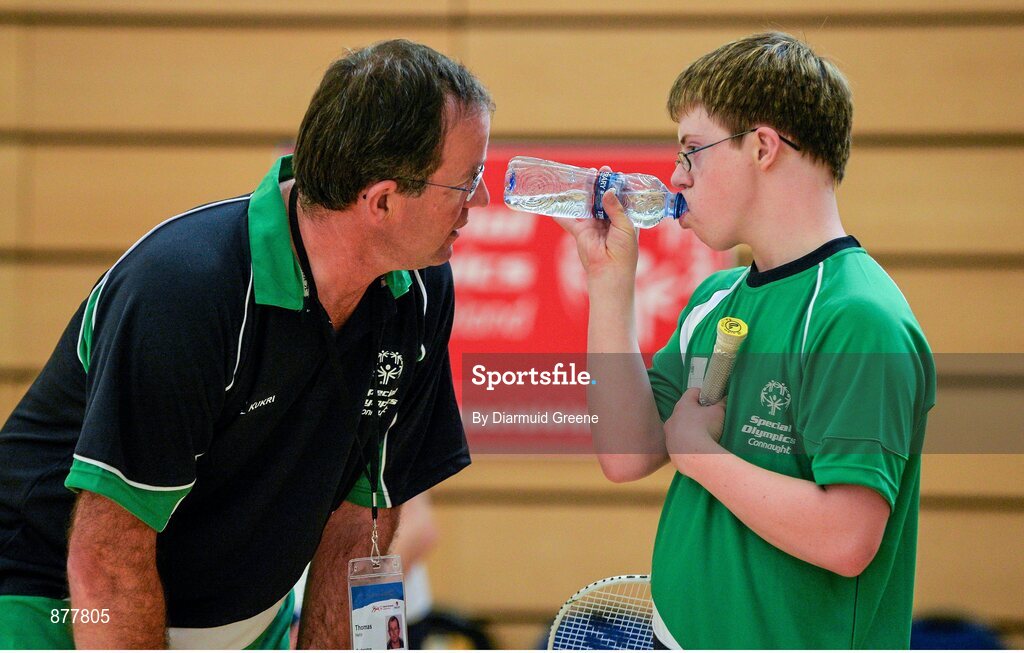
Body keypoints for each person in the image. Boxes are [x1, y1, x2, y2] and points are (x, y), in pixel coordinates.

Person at [0, 39, 493, 649]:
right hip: (60, 608)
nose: (478, 204)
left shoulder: (420, 290)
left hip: (243, 620)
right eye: (466, 182)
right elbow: (107, 556)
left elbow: (359, 523)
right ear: (383, 200)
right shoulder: (185, 290)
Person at [559, 32, 934, 649]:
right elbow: (626, 455)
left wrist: (701, 456)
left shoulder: (859, 318)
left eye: (691, 150)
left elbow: (847, 539)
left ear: (762, 147)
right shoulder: (718, 298)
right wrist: (609, 283)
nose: (676, 176)